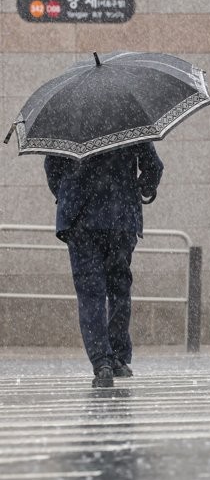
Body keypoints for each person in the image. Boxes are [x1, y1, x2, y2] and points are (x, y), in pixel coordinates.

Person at [44, 143, 164, 387]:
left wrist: (69, 194)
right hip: (120, 217)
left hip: (80, 220)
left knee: (90, 294)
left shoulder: (66, 123)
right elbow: (154, 166)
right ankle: (119, 356)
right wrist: (143, 187)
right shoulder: (129, 118)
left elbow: (52, 169)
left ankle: (102, 362)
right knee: (119, 288)